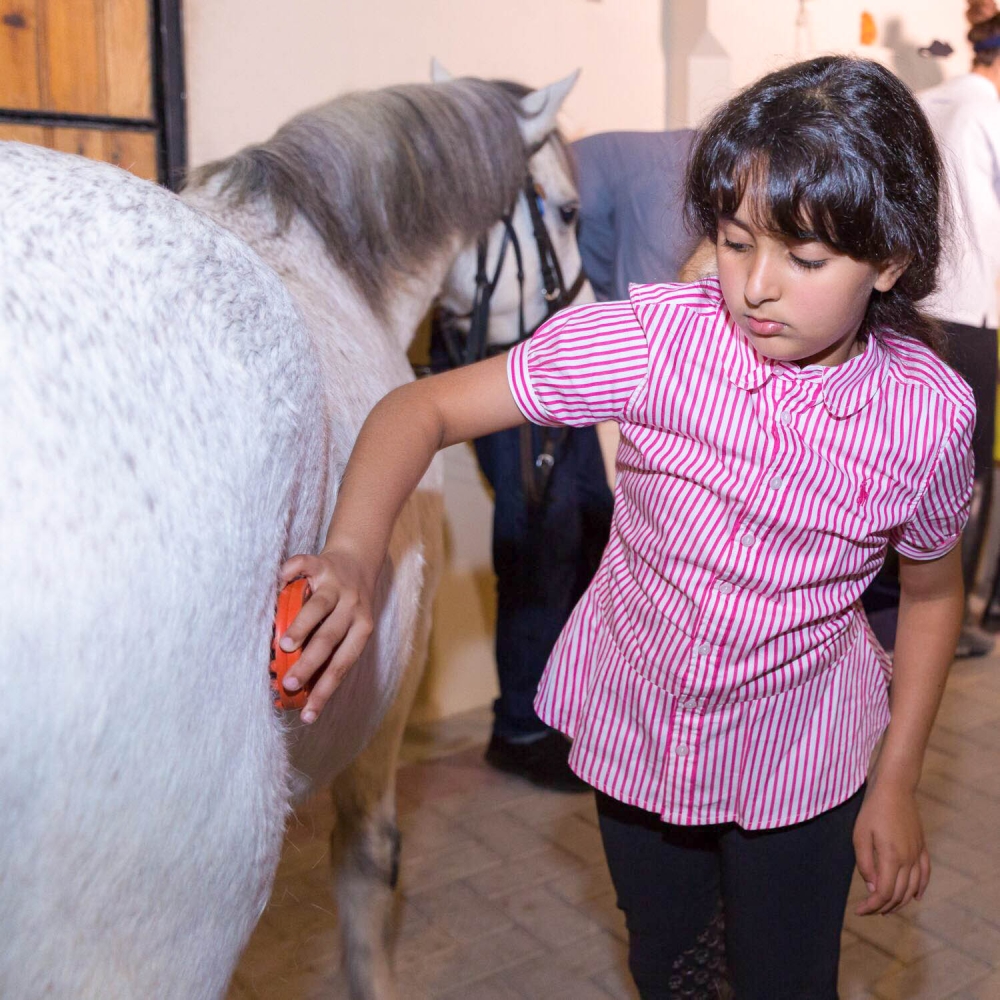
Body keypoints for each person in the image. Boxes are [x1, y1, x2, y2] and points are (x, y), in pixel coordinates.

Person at [277, 56, 973, 998]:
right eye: (734, 242)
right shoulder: (652, 344)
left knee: (785, 977)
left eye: (806, 260)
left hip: (802, 755)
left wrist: (895, 779)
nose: (757, 287)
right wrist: (356, 553)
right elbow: (421, 410)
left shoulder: (925, 415)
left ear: (888, 261)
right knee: (671, 966)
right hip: (642, 736)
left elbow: (932, 595)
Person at [919, 10, 1000, 637]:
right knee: (959, 485)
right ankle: (951, 625)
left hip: (908, 311)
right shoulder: (990, 113)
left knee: (903, 465)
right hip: (971, 315)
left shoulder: (926, 101)